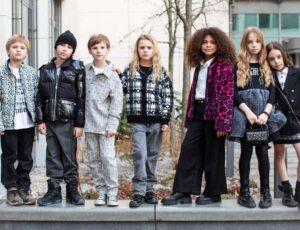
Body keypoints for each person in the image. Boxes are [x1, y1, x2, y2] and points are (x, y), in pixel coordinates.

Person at [162, 27, 236, 205]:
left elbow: (227, 94)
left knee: (214, 154)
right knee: (188, 150)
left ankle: (213, 193)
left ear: (219, 44)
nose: (208, 45)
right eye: (205, 42)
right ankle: (183, 191)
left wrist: (223, 123)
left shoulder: (224, 65)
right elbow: (195, 91)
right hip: (198, 113)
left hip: (215, 116)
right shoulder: (200, 65)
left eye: (212, 42)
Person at [230, 27, 286, 209]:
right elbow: (234, 92)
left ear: (262, 43)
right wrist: (248, 112)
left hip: (263, 115)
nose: (254, 45)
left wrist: (265, 113)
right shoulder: (238, 65)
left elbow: (272, 92)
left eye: (257, 42)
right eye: (250, 42)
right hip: (245, 114)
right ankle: (244, 192)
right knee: (245, 152)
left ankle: (265, 191)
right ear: (245, 44)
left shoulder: (266, 65)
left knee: (263, 153)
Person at [120, 34, 173, 208]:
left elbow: (167, 97)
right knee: (139, 154)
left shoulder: (161, 72)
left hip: (156, 120)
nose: (145, 50)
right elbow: (120, 88)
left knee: (152, 155)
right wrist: (115, 73)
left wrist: (165, 119)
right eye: (142, 47)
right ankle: (138, 191)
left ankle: (149, 189)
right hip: (137, 121)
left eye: (148, 47)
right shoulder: (130, 70)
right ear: (137, 50)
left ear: (154, 50)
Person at [36, 30, 86, 206]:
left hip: (68, 121)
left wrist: (79, 123)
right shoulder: (45, 69)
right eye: (62, 45)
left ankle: (73, 191)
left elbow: (81, 97)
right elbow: (39, 97)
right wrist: (40, 120)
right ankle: (54, 191)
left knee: (69, 156)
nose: (64, 49)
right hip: (50, 120)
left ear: (73, 51)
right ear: (56, 46)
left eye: (69, 47)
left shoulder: (77, 68)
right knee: (52, 155)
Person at [84, 34, 123, 207]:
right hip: (88, 124)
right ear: (90, 50)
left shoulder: (113, 75)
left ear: (108, 49)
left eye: (102, 47)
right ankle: (100, 191)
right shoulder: (85, 71)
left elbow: (117, 101)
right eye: (95, 48)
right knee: (94, 159)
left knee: (108, 158)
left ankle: (112, 193)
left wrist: (113, 124)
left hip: (106, 125)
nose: (98, 51)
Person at [0, 34, 38, 206]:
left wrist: (39, 120)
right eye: (15, 47)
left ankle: (24, 187)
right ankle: (11, 189)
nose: (18, 50)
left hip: (27, 123)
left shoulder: (30, 72)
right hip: (8, 124)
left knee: (26, 157)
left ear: (26, 52)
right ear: (8, 51)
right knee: (9, 156)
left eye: (22, 48)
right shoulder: (1, 73)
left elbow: (37, 97)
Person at [266, 41, 300, 208]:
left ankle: (299, 188)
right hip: (279, 121)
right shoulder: (269, 77)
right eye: (272, 59)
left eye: (279, 57)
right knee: (280, 155)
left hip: (296, 119)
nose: (277, 61)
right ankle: (287, 190)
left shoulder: (297, 72)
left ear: (284, 55)